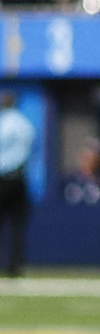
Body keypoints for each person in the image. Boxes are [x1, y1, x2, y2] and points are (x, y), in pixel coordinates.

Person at [0, 94, 33, 275]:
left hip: (3, 177)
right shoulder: (24, 124)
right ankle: (15, 266)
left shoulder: (3, 123)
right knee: (17, 225)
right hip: (19, 177)